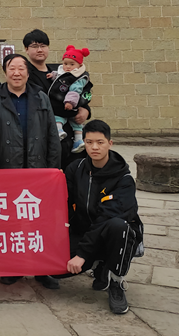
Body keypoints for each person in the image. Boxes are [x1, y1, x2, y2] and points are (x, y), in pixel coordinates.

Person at [0, 53, 61, 290]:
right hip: (7, 172)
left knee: (40, 222)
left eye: (20, 68)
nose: (16, 73)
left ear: (27, 72)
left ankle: (43, 268)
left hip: (37, 171)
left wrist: (53, 171)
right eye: (11, 68)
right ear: (5, 72)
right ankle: (13, 267)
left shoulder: (41, 97)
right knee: (10, 224)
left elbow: (52, 136)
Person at [61, 120, 143, 315]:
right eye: (89, 142)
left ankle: (116, 281)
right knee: (56, 270)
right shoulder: (75, 169)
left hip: (113, 233)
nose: (94, 147)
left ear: (110, 143)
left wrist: (82, 254)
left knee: (118, 226)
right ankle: (99, 264)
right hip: (85, 232)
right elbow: (64, 202)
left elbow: (107, 218)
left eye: (100, 142)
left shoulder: (124, 180)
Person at [23, 29, 90, 167]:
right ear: (26, 50)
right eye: (34, 46)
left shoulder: (61, 69)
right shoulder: (27, 75)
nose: (40, 50)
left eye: (43, 45)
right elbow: (45, 104)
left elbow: (83, 89)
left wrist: (86, 109)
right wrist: (74, 110)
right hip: (47, 138)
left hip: (71, 136)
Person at [48, 46, 93, 154]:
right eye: (65, 64)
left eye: (72, 64)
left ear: (79, 65)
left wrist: (70, 102)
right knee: (76, 124)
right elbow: (60, 77)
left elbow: (75, 91)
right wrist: (52, 75)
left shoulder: (79, 77)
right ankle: (78, 141)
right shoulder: (66, 72)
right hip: (68, 105)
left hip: (69, 104)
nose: (67, 67)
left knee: (59, 117)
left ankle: (59, 130)